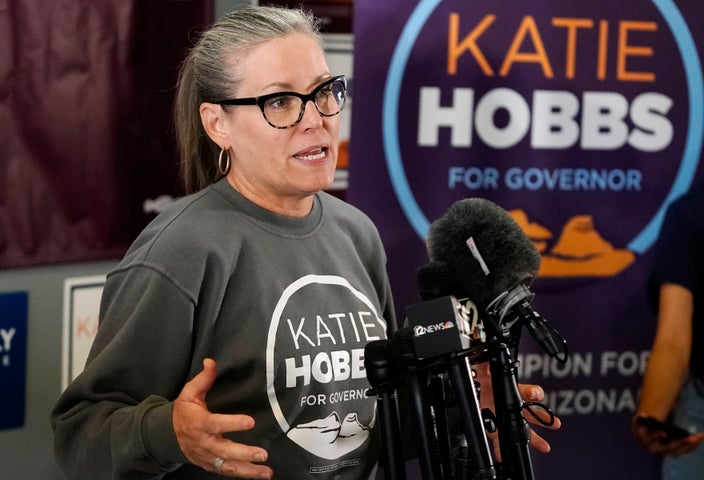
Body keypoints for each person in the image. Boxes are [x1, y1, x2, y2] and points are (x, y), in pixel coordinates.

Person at [51, 6, 558, 479]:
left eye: (323, 92)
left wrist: (466, 411)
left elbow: (366, 426)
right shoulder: (182, 250)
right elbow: (79, 436)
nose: (315, 118)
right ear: (217, 123)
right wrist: (170, 433)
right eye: (280, 102)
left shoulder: (356, 232)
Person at [633, 182, 704, 479]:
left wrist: (652, 417)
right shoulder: (692, 212)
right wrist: (652, 416)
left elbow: (674, 338)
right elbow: (674, 338)